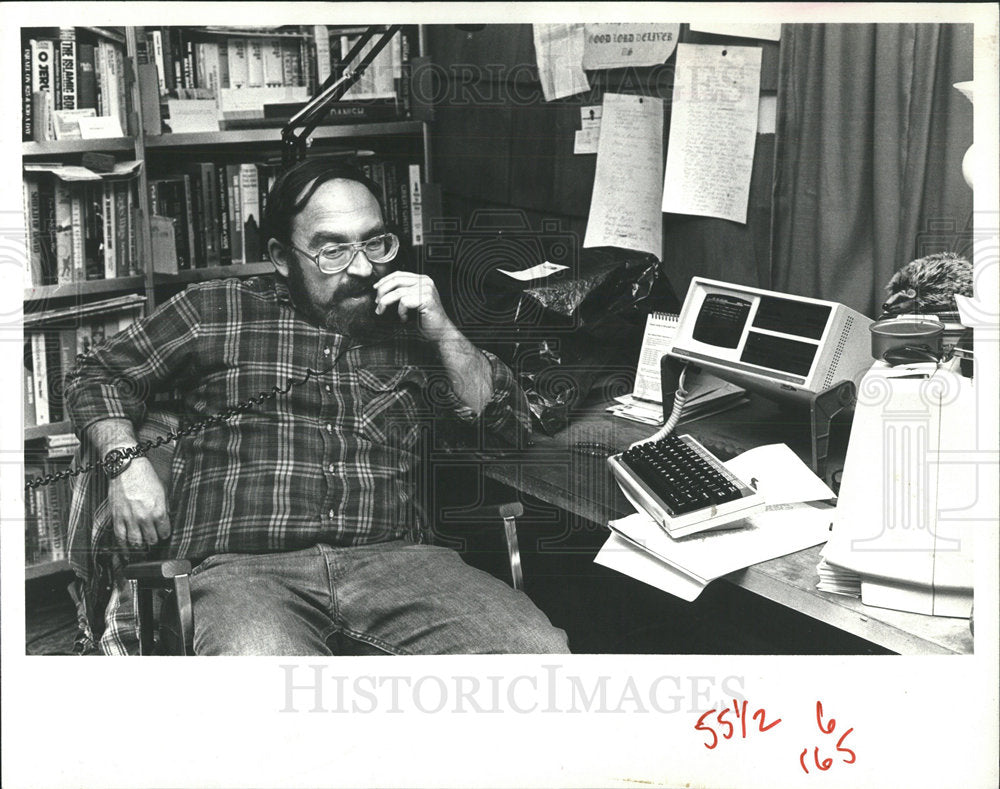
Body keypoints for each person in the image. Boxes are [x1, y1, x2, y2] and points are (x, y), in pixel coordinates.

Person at [64, 158, 569, 656]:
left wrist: (442, 329)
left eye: (375, 242)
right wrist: (124, 464)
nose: (363, 267)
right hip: (246, 574)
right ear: (284, 257)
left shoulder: (410, 322)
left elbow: (506, 426)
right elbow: (95, 373)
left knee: (537, 653)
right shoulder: (215, 309)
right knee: (266, 677)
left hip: (400, 567)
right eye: (332, 250)